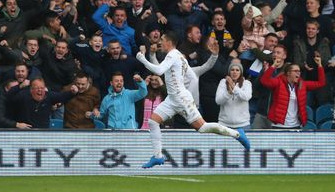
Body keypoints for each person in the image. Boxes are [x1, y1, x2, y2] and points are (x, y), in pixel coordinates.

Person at [136, 31, 250, 168]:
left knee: (202, 127)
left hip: (180, 98)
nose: (160, 42)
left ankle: (237, 134)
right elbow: (191, 76)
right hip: (173, 99)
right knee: (153, 122)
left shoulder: (172, 55)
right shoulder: (179, 56)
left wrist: (142, 59)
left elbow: (159, 71)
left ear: (169, 42)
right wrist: (179, 85)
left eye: (162, 39)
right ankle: (158, 156)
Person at [260, 56, 326, 129]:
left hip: (296, 125)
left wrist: (319, 65)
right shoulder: (279, 82)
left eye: (299, 71)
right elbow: (264, 81)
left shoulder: (302, 84)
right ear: (288, 73)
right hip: (279, 125)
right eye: (295, 71)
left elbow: (321, 83)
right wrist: (273, 66)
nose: (298, 73)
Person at [215, 62, 252, 129]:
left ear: (241, 72)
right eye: (232, 70)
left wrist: (234, 87)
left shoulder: (247, 83)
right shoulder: (223, 82)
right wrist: (228, 93)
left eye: (237, 70)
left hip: (243, 125)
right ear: (229, 72)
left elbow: (247, 97)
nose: (234, 72)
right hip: (224, 124)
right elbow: (218, 101)